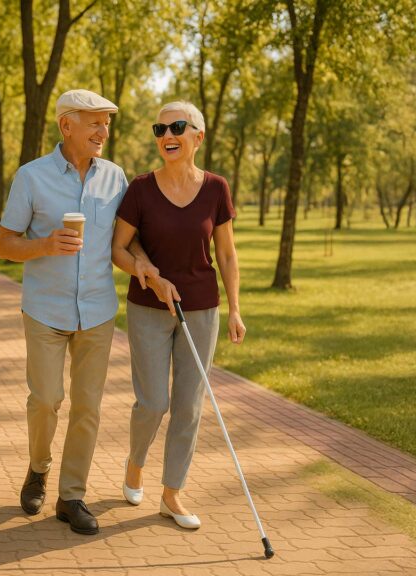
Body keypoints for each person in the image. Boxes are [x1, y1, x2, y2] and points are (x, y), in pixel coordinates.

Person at [0, 89, 151, 535]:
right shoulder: (31, 177)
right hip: (45, 308)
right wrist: (45, 244)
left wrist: (143, 263)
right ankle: (38, 467)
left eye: (107, 123)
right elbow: (5, 244)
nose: (104, 131)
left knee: (88, 407)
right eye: (95, 122)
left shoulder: (115, 178)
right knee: (46, 400)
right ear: (67, 126)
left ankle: (71, 496)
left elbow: (127, 239)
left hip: (97, 311)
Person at [111, 101, 245, 529]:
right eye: (160, 129)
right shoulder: (140, 189)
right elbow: (118, 249)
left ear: (197, 137)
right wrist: (149, 276)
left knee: (188, 406)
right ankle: (135, 462)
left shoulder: (216, 188)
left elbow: (227, 254)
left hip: (202, 310)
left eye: (177, 127)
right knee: (153, 403)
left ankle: (172, 494)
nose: (167, 135)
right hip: (148, 308)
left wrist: (235, 309)